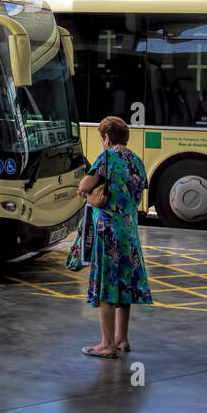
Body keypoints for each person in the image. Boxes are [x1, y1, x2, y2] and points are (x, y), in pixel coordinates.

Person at [77, 115, 153, 358]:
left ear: (107, 138)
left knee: (106, 287)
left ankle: (106, 344)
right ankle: (122, 339)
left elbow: (86, 185)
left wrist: (85, 188)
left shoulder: (108, 157)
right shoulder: (136, 160)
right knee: (124, 284)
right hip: (129, 231)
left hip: (108, 231)